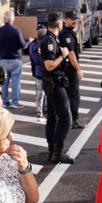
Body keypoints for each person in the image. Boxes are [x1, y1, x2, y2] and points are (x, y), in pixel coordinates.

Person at [37, 13, 74, 163]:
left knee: (53, 116)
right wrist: (63, 55)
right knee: (65, 118)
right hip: (54, 83)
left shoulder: (51, 38)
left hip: (52, 82)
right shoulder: (49, 40)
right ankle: (57, 152)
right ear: (59, 24)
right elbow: (49, 65)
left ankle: (52, 151)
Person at [0, 10, 26, 108]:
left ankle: (5, 101)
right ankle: (15, 102)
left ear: (4, 19)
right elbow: (22, 44)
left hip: (3, 59)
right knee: (16, 81)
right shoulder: (16, 30)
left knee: (4, 82)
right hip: (15, 59)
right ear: (12, 19)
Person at [58, 11, 85, 127]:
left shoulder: (69, 32)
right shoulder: (66, 35)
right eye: (73, 19)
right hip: (69, 69)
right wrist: (78, 69)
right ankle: (73, 120)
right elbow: (71, 54)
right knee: (73, 95)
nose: (75, 21)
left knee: (69, 95)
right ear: (66, 20)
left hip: (67, 69)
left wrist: (81, 23)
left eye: (76, 19)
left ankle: (69, 118)